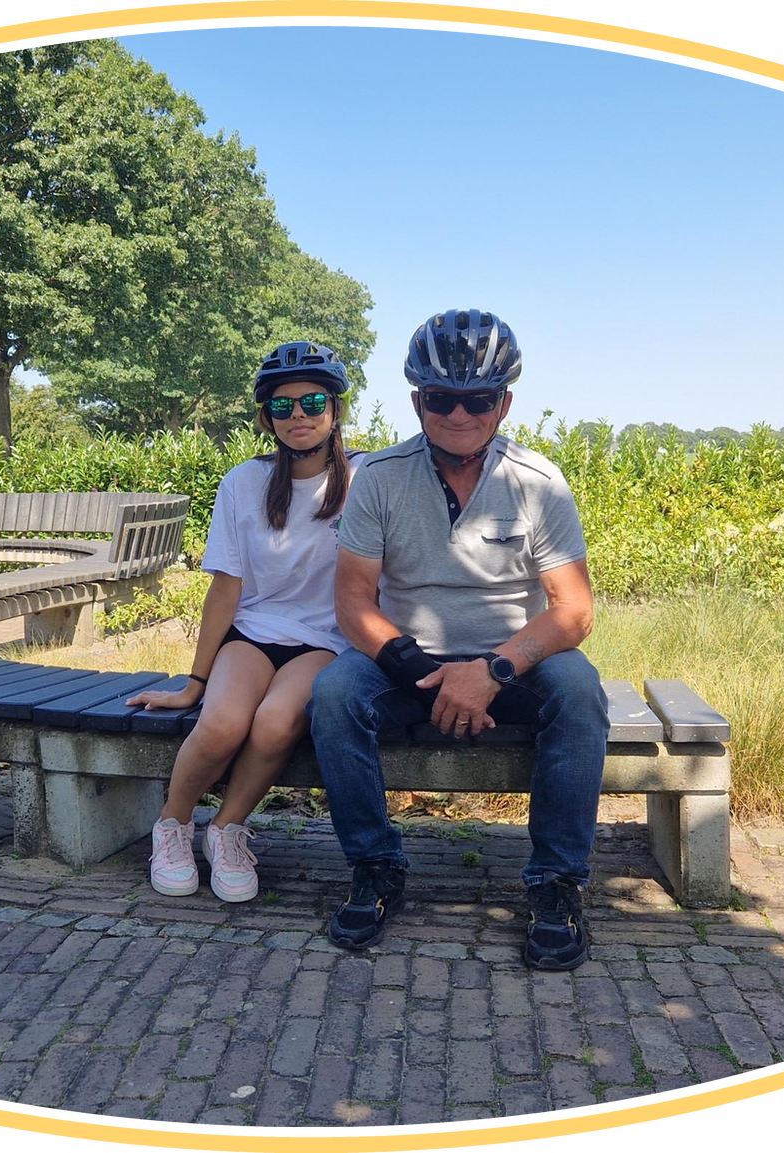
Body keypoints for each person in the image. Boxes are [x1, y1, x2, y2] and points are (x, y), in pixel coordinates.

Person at [310, 309, 606, 970]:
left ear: (504, 403)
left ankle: (557, 883)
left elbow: (575, 610)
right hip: (407, 660)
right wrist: (417, 667)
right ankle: (375, 867)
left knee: (580, 692)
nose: (460, 414)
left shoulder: (538, 483)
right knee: (334, 694)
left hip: (513, 661)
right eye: (442, 398)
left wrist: (492, 670)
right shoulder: (379, 477)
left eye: (479, 399)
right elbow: (353, 601)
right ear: (418, 400)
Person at [127, 341, 360, 902]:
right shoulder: (243, 483)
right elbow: (227, 587)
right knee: (223, 722)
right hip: (252, 634)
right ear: (265, 417)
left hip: (323, 641)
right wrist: (195, 682)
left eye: (313, 402)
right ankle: (172, 824)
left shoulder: (367, 477)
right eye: (282, 405)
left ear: (335, 410)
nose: (298, 414)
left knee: (278, 722)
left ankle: (227, 829)